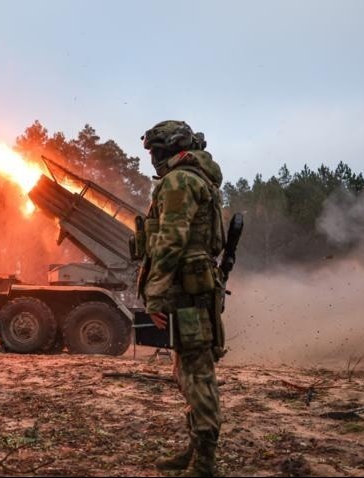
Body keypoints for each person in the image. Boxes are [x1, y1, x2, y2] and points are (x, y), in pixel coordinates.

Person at [138, 120, 227, 477]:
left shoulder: (179, 180)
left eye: (156, 152)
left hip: (184, 292)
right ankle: (195, 450)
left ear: (170, 149)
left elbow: (171, 241)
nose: (153, 159)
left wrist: (155, 294)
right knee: (187, 371)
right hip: (191, 289)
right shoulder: (196, 177)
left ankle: (205, 463)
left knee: (197, 375)